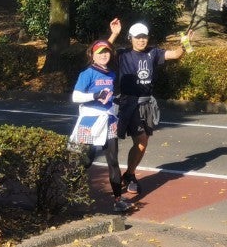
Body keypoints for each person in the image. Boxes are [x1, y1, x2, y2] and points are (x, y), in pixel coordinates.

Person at [107, 17, 190, 201]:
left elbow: (175, 54)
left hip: (144, 105)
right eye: (137, 37)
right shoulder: (122, 54)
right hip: (124, 103)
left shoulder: (153, 53)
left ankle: (130, 174)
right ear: (130, 38)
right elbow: (102, 52)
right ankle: (107, 174)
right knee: (111, 142)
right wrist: (114, 34)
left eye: (144, 37)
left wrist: (185, 43)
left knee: (142, 141)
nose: (141, 40)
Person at [69, 39, 126, 210]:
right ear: (92, 55)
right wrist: (95, 96)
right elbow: (76, 97)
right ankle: (71, 194)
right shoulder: (87, 73)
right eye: (100, 52)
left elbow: (109, 96)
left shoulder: (111, 74)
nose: (104, 55)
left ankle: (118, 200)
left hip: (108, 120)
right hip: (90, 121)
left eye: (106, 52)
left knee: (113, 161)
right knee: (86, 160)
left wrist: (115, 100)